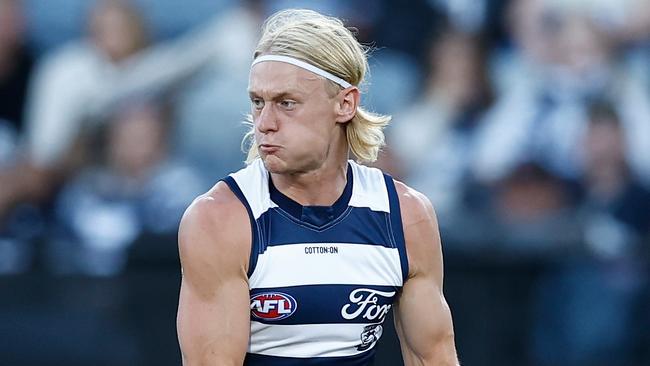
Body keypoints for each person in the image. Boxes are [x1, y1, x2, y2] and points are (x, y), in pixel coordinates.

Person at [176, 9, 458, 366]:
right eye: (258, 102)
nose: (265, 123)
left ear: (345, 104)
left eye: (286, 103)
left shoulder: (405, 216)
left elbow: (433, 357)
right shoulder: (220, 219)